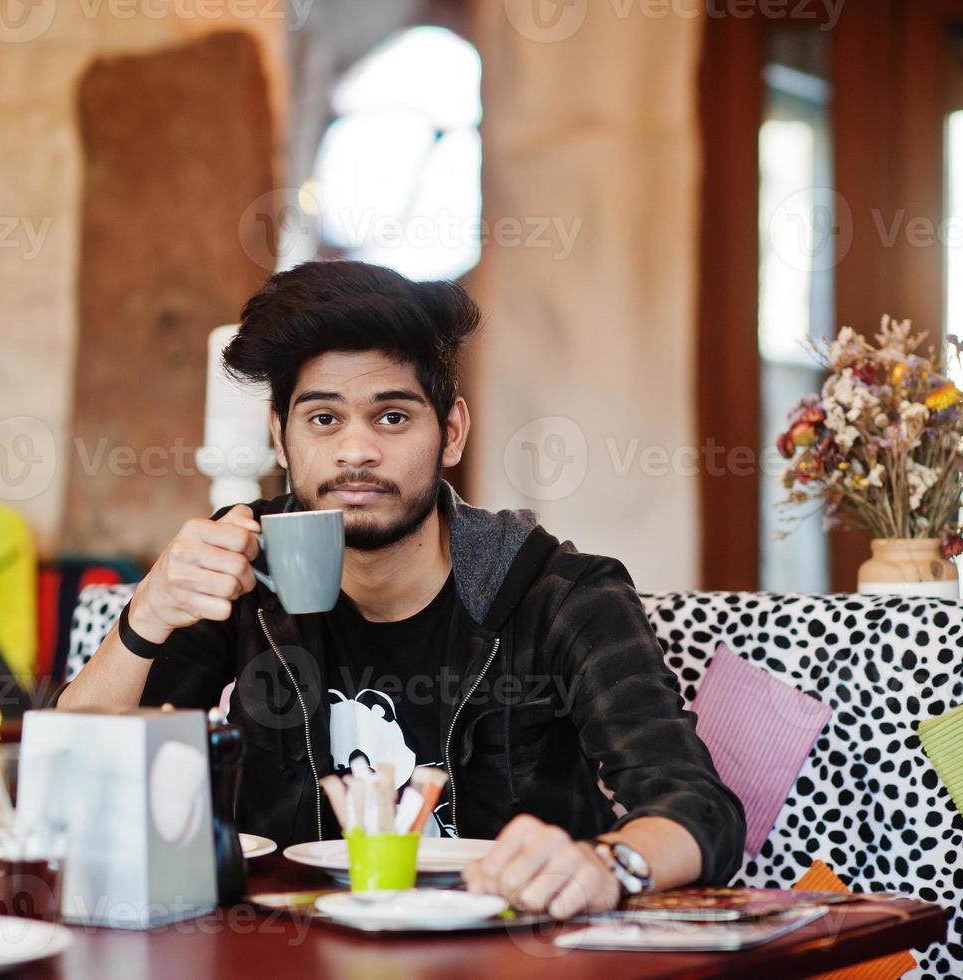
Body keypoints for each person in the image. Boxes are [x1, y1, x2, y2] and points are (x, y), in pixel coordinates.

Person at [59, 260, 744, 918]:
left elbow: (697, 811)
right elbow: (69, 781)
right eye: (323, 419)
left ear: (449, 434)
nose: (355, 451)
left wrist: (605, 866)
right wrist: (144, 616)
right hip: (279, 953)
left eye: (391, 417)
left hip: (504, 959)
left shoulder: (557, 592)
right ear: (280, 436)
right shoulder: (240, 567)